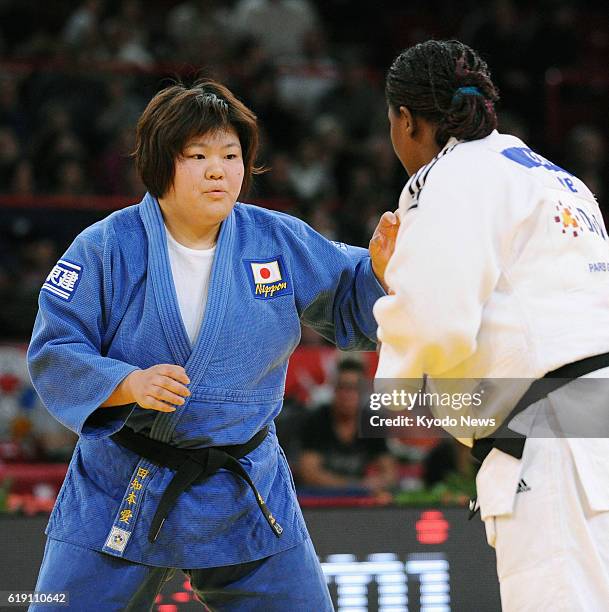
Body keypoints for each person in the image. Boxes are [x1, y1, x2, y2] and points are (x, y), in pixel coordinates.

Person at [27, 79, 399, 611]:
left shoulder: (275, 239)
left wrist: (381, 273)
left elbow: (348, 291)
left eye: (231, 154)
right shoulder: (106, 246)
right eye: (197, 155)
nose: (219, 170)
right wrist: (126, 383)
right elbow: (54, 348)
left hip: (243, 487)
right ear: (161, 165)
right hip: (124, 484)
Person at [374, 40, 609, 611]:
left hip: (554, 439)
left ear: (405, 121)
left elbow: (437, 327)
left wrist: (395, 283)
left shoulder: (448, 176)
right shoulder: (561, 179)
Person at [297, 358, 398, 494]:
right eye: (342, 387)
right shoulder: (316, 419)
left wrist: (379, 482)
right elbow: (308, 474)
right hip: (318, 500)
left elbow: (390, 473)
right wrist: (355, 486)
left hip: (356, 504)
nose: (347, 395)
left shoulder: (371, 422)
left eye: (354, 388)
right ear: (334, 389)